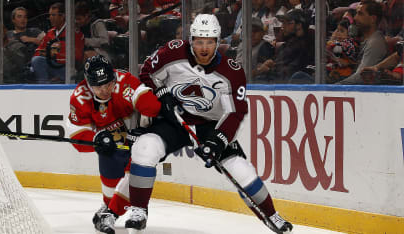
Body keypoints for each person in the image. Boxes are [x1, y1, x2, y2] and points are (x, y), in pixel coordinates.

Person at [124, 14, 293, 233]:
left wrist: (218, 140)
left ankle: (272, 215)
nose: (204, 48)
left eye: (210, 42)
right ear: (191, 39)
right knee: (144, 148)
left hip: (210, 125)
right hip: (175, 119)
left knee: (241, 170)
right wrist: (161, 92)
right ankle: (138, 210)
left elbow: (235, 112)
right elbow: (147, 72)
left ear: (218, 41)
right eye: (199, 41)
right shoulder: (172, 52)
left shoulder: (232, 73)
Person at [66, 55, 161, 234]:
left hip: (138, 142)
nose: (104, 90)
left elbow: (151, 105)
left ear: (114, 77)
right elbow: (77, 136)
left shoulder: (125, 82)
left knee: (136, 171)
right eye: (98, 86)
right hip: (113, 147)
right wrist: (96, 140)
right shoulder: (80, 97)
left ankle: (114, 211)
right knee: (107, 160)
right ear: (88, 83)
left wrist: (146, 121)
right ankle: (109, 206)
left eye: (108, 84)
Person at [31, 2, 85, 84]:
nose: (50, 18)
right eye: (49, 15)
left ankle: (44, 88)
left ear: (62, 16)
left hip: (67, 69)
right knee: (36, 60)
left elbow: (77, 56)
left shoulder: (74, 33)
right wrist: (49, 54)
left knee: (38, 61)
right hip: (52, 65)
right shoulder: (50, 32)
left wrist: (54, 55)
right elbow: (38, 52)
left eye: (53, 15)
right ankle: (44, 87)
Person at [337, 0, 388, 85]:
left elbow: (360, 77)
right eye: (356, 13)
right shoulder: (366, 40)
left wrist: (333, 87)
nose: (355, 18)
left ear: (373, 19)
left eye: (360, 14)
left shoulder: (375, 42)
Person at [236, 17, 275, 82]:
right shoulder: (241, 45)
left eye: (255, 31)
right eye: (248, 31)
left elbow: (261, 72)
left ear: (263, 33)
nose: (251, 34)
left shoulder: (265, 47)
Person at [326, 18, 359, 83]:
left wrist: (331, 41)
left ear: (350, 33)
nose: (338, 33)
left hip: (346, 76)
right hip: (338, 74)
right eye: (337, 30)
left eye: (342, 31)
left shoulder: (351, 43)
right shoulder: (339, 42)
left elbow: (340, 46)